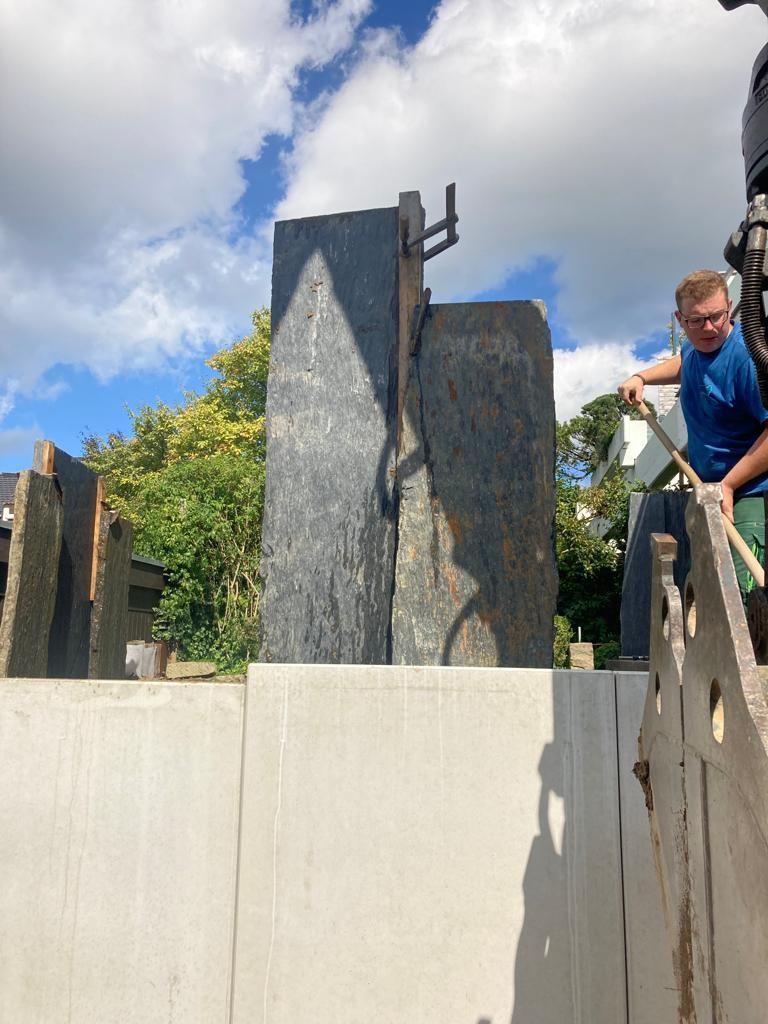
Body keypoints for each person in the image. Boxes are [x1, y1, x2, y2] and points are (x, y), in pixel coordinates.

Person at [618, 268, 768, 604]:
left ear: (729, 306)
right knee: (715, 595)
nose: (710, 328)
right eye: (697, 321)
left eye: (717, 316)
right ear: (680, 319)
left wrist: (728, 485)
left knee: (746, 600)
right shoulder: (696, 348)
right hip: (711, 492)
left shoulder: (747, 360)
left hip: (751, 495)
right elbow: (685, 363)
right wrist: (641, 377)